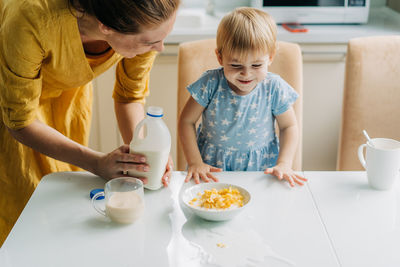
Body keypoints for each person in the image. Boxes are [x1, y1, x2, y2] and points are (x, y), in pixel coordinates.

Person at [0, 0, 180, 245]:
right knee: (20, 208)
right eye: (150, 42)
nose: (160, 48)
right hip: (12, 101)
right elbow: (19, 121)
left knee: (63, 208)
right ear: (105, 26)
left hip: (66, 100)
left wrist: (142, 156)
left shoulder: (142, 20)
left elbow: (129, 97)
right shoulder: (30, 19)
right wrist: (96, 163)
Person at [178, 7, 307, 187]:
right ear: (220, 57)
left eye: (256, 65)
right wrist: (195, 162)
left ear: (270, 57)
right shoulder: (210, 83)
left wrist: (284, 163)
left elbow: (289, 126)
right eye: (235, 65)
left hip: (261, 171)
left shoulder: (274, 87)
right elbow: (186, 121)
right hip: (212, 170)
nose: (246, 74)